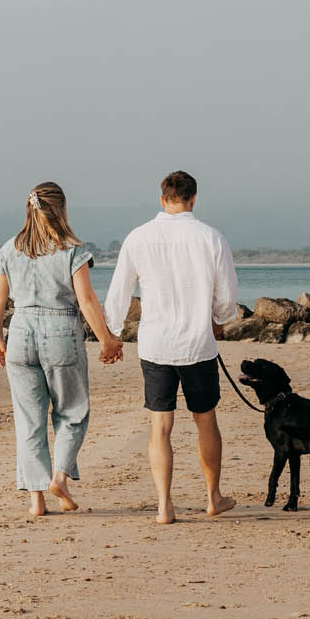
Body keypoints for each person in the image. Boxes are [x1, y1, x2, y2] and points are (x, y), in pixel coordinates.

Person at [103, 170, 240, 524]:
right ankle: (213, 497)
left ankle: (164, 505)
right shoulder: (211, 237)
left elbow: (119, 290)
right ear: (194, 199)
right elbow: (227, 295)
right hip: (198, 344)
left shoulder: (139, 237)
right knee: (205, 421)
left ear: (162, 199)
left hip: (156, 345)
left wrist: (112, 334)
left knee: (160, 427)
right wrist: (219, 320)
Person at [0, 182, 123, 518]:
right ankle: (60, 477)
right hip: (61, 331)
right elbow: (86, 299)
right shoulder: (72, 250)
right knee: (72, 411)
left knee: (28, 420)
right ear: (62, 209)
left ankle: (36, 500)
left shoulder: (9, 249)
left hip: (21, 331)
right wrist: (106, 339)